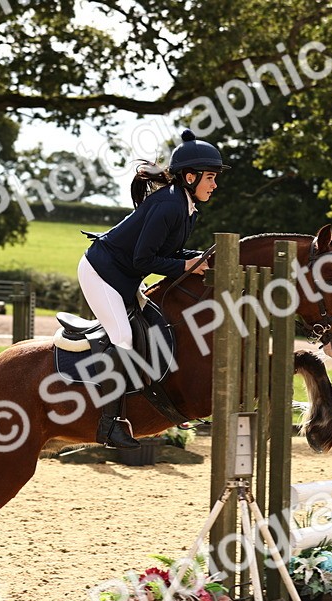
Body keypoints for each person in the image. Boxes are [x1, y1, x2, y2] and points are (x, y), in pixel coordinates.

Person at [77, 129, 224, 449]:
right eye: (210, 177)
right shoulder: (169, 205)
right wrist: (188, 265)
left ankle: (166, 405)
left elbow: (165, 255)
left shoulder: (186, 208)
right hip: (101, 273)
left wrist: (200, 259)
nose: (214, 184)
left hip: (124, 277)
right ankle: (109, 425)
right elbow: (145, 259)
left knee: (160, 327)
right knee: (124, 337)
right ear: (190, 176)